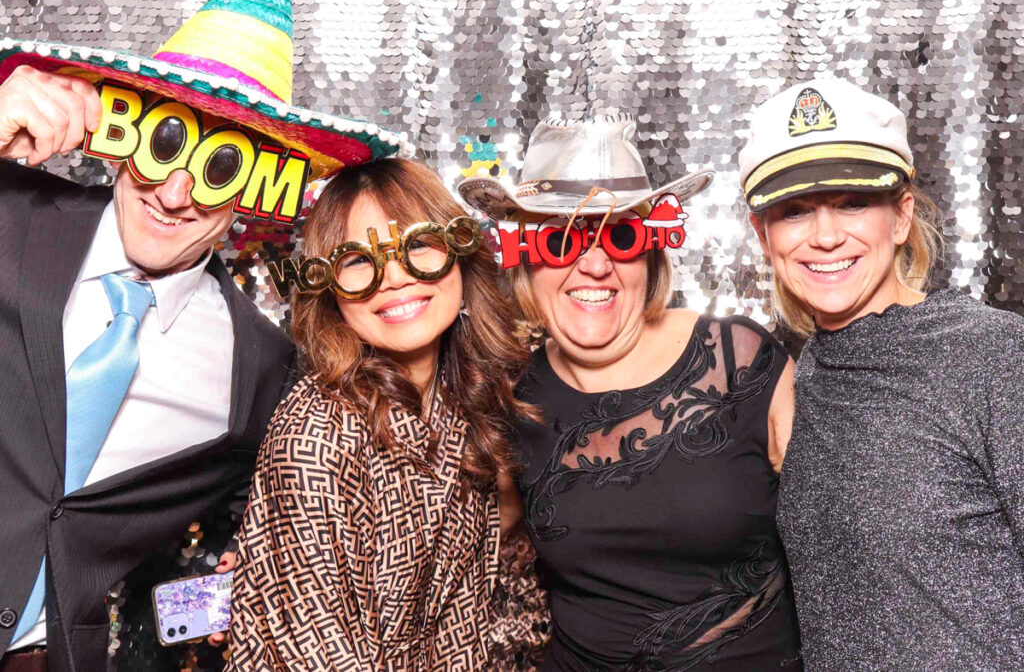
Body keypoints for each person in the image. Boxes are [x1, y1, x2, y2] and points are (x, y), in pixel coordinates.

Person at [0, 0, 405, 672]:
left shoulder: (262, 370)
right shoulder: (10, 211)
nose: (176, 192)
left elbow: (242, 545)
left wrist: (237, 589)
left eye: (219, 165)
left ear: (255, 188)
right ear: (124, 134)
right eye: (164, 145)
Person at [458, 114, 803, 671]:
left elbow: (847, 550)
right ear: (524, 253)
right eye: (563, 238)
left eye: (619, 236)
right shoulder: (509, 396)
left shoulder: (741, 361)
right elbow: (474, 557)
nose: (593, 264)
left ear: (650, 253)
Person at [740, 76, 1024, 667]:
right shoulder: (807, 374)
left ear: (900, 217)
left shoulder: (994, 355)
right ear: (763, 236)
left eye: (853, 202)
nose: (825, 236)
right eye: (794, 212)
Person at [227, 158, 540, 670]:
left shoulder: (463, 400)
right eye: (357, 259)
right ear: (330, 291)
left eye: (417, 244)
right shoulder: (317, 432)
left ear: (460, 257)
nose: (394, 278)